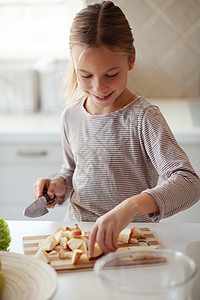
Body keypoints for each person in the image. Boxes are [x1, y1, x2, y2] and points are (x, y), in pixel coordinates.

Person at [33, 1, 200, 256]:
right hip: (76, 236)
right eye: (86, 75)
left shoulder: (144, 118)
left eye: (111, 74)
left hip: (129, 242)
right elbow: (72, 171)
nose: (99, 87)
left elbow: (189, 184)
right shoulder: (71, 116)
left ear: (131, 59)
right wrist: (58, 185)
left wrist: (131, 206)